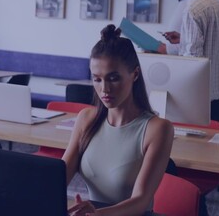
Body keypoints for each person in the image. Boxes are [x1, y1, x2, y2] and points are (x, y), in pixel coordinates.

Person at [64, 25, 174, 216]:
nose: (104, 89)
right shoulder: (86, 119)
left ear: (135, 74)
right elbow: (59, 177)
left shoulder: (157, 129)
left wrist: (98, 214)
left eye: (113, 78)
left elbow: (140, 201)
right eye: (97, 79)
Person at [157, 0, 219, 101]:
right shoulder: (217, 4)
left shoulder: (192, 9)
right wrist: (183, 39)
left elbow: (192, 58)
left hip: (196, 94)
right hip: (214, 91)